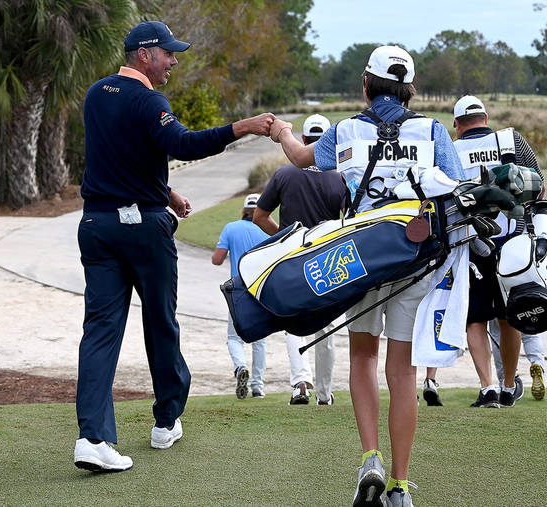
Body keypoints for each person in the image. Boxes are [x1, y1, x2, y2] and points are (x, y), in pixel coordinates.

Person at [73, 20, 274, 473]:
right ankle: (166, 422)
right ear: (145, 54)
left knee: (101, 329)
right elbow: (183, 143)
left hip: (97, 225)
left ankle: (93, 437)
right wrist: (243, 127)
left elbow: (122, 159)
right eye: (168, 53)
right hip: (143, 230)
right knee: (160, 323)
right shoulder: (149, 100)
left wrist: (165, 193)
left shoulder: (94, 95)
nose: (174, 60)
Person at [269, 45, 465, 507]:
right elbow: (458, 189)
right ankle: (399, 485)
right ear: (408, 89)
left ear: (366, 84)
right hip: (415, 261)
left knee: (362, 359)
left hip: (360, 258)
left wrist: (281, 131)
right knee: (403, 371)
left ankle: (369, 457)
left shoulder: (346, 130)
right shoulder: (433, 130)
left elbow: (300, 157)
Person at [447, 95, 544, 409]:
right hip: (512, 241)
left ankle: (487, 387)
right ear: (486, 118)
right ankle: (507, 386)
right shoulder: (510, 139)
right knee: (508, 317)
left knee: (475, 319)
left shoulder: (450, 149)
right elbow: (538, 185)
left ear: (457, 124)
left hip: (470, 243)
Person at [253, 114, 348, 406]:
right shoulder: (340, 178)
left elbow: (259, 216)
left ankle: (300, 385)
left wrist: (283, 236)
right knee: (327, 328)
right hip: (328, 259)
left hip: (292, 257)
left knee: (293, 323)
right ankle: (324, 393)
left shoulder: (284, 174)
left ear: (303, 140)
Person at [212, 194, 270, 400]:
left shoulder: (231, 228)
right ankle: (258, 386)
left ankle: (240, 367)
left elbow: (217, 260)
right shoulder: (266, 231)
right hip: (261, 290)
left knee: (233, 337)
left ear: (244, 210)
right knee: (260, 341)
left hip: (237, 290)